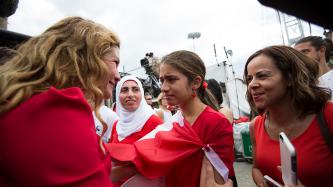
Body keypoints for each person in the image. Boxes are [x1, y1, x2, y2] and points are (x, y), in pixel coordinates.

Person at [0, 16, 121, 186]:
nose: (118, 76)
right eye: (115, 62)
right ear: (84, 59)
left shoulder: (27, 102)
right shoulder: (55, 111)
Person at [107, 50, 236, 187]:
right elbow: (141, 158)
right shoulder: (174, 122)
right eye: (162, 80)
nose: (163, 88)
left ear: (196, 83)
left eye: (171, 80)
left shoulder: (215, 123)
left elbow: (221, 177)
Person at [244, 45, 333, 187]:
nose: (252, 85)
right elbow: (256, 167)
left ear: (290, 77)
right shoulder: (256, 125)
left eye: (262, 76)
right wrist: (260, 180)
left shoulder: (328, 115)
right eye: (249, 78)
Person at [110, 75, 163, 186]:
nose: (130, 95)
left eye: (135, 89)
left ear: (142, 94)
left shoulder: (155, 123)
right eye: (124, 90)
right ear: (117, 95)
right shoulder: (116, 125)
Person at [294, 36, 333, 100]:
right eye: (297, 54)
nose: (299, 57)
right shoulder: (302, 88)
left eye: (305, 51)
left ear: (322, 50)